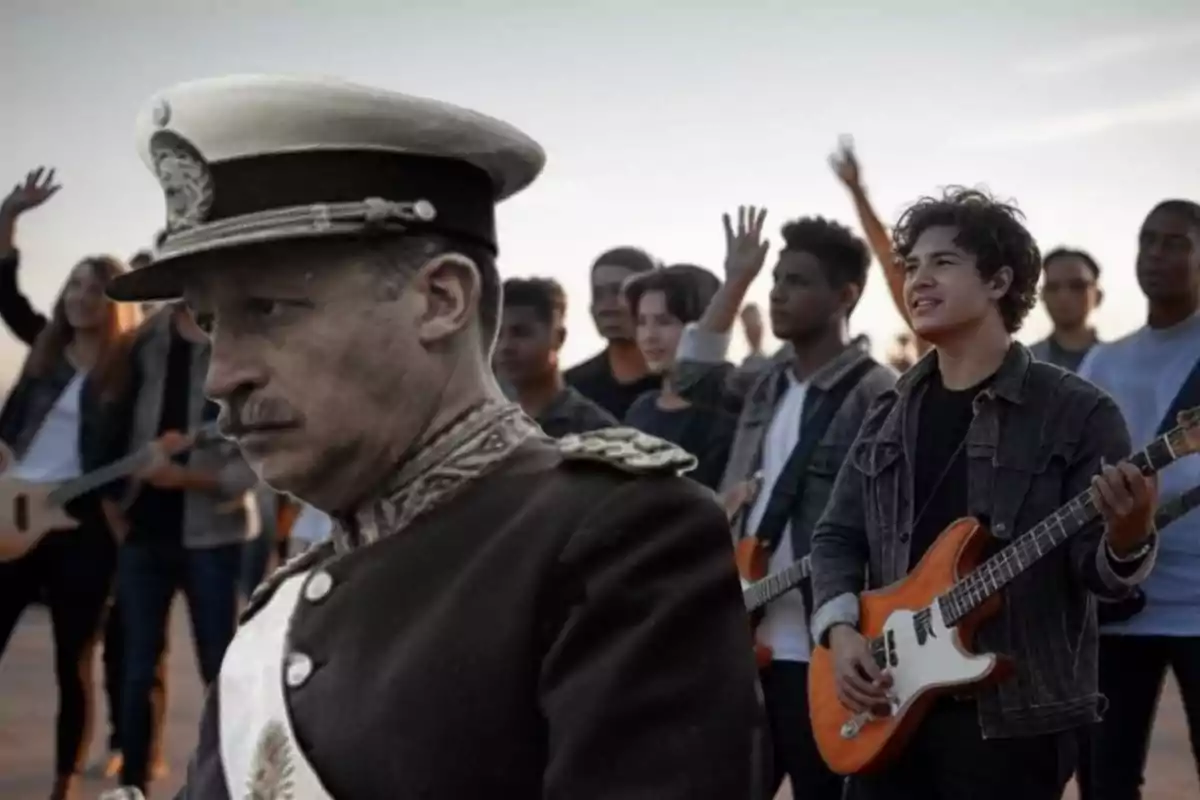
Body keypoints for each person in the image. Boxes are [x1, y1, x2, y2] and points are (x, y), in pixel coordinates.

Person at [99, 74, 763, 800]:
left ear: (440, 299)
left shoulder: (619, 537)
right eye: (215, 326)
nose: (221, 378)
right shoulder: (278, 607)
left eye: (268, 311)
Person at [809, 187, 1161, 800]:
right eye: (912, 265)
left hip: (1013, 722)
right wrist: (839, 635)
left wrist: (1129, 538)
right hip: (887, 702)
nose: (918, 279)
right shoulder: (887, 412)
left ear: (999, 282)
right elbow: (836, 535)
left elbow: (1100, 576)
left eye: (942, 262)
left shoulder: (1077, 412)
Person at [672, 207, 896, 800]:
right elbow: (692, 377)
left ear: (845, 295)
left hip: (824, 650)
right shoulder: (768, 380)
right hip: (748, 642)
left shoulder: (877, 393)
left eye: (795, 281)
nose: (777, 293)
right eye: (776, 279)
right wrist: (737, 277)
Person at [0, 168, 142, 800]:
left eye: (95, 287)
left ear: (114, 301)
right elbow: (4, 293)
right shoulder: (44, 350)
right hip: (12, 513)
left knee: (72, 663)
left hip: (81, 528)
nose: (81, 296)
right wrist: (9, 216)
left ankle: (62, 783)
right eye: (75, 285)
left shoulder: (128, 365)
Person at [97, 299, 261, 795]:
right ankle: (134, 783)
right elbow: (114, 416)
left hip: (213, 534)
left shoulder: (243, 335)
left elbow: (255, 456)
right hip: (142, 532)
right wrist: (114, 503)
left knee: (220, 666)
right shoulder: (145, 340)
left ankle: (235, 781)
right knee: (136, 669)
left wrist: (185, 477)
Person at [1077, 199, 1200, 799]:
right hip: (1124, 602)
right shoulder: (1106, 360)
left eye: (1175, 242)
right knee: (1106, 779)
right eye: (1148, 240)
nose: (1156, 254)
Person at [622, 264, 736, 490]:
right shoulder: (641, 409)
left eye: (665, 321)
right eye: (642, 322)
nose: (649, 336)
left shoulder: (732, 406)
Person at [494, 276, 616, 437]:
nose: (505, 346)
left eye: (521, 333)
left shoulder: (596, 432)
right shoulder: (487, 428)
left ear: (558, 338)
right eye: (497, 335)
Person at [563, 246, 661, 418]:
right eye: (598, 294)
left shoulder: (682, 387)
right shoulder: (571, 388)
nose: (606, 307)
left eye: (619, 292)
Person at [1030, 247, 1102, 372]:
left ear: (1098, 296)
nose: (1064, 297)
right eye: (1053, 287)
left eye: (1077, 286)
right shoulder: (1023, 366)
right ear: (1042, 296)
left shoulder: (1120, 363)